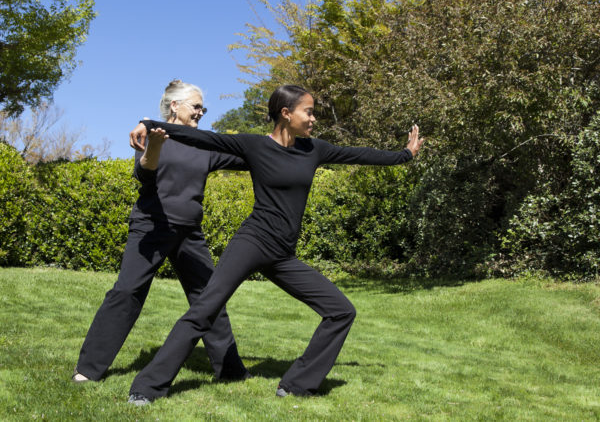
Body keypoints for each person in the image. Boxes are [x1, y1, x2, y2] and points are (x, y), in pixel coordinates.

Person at [126, 84, 424, 404]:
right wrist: (149, 122)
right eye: (308, 112)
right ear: (286, 114)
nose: (313, 119)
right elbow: (204, 137)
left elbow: (359, 154)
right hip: (252, 243)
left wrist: (404, 155)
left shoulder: (314, 149)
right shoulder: (255, 147)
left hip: (282, 254)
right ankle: (147, 387)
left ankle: (296, 384)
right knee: (203, 311)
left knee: (341, 311)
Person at [72, 80, 251, 394]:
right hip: (151, 228)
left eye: (202, 108)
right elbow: (144, 172)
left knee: (210, 298)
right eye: (196, 106)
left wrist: (282, 148)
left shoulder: (205, 144)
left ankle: (231, 371)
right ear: (175, 106)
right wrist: (153, 142)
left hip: (189, 234)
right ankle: (89, 368)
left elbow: (248, 157)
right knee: (127, 292)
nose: (201, 112)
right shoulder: (150, 137)